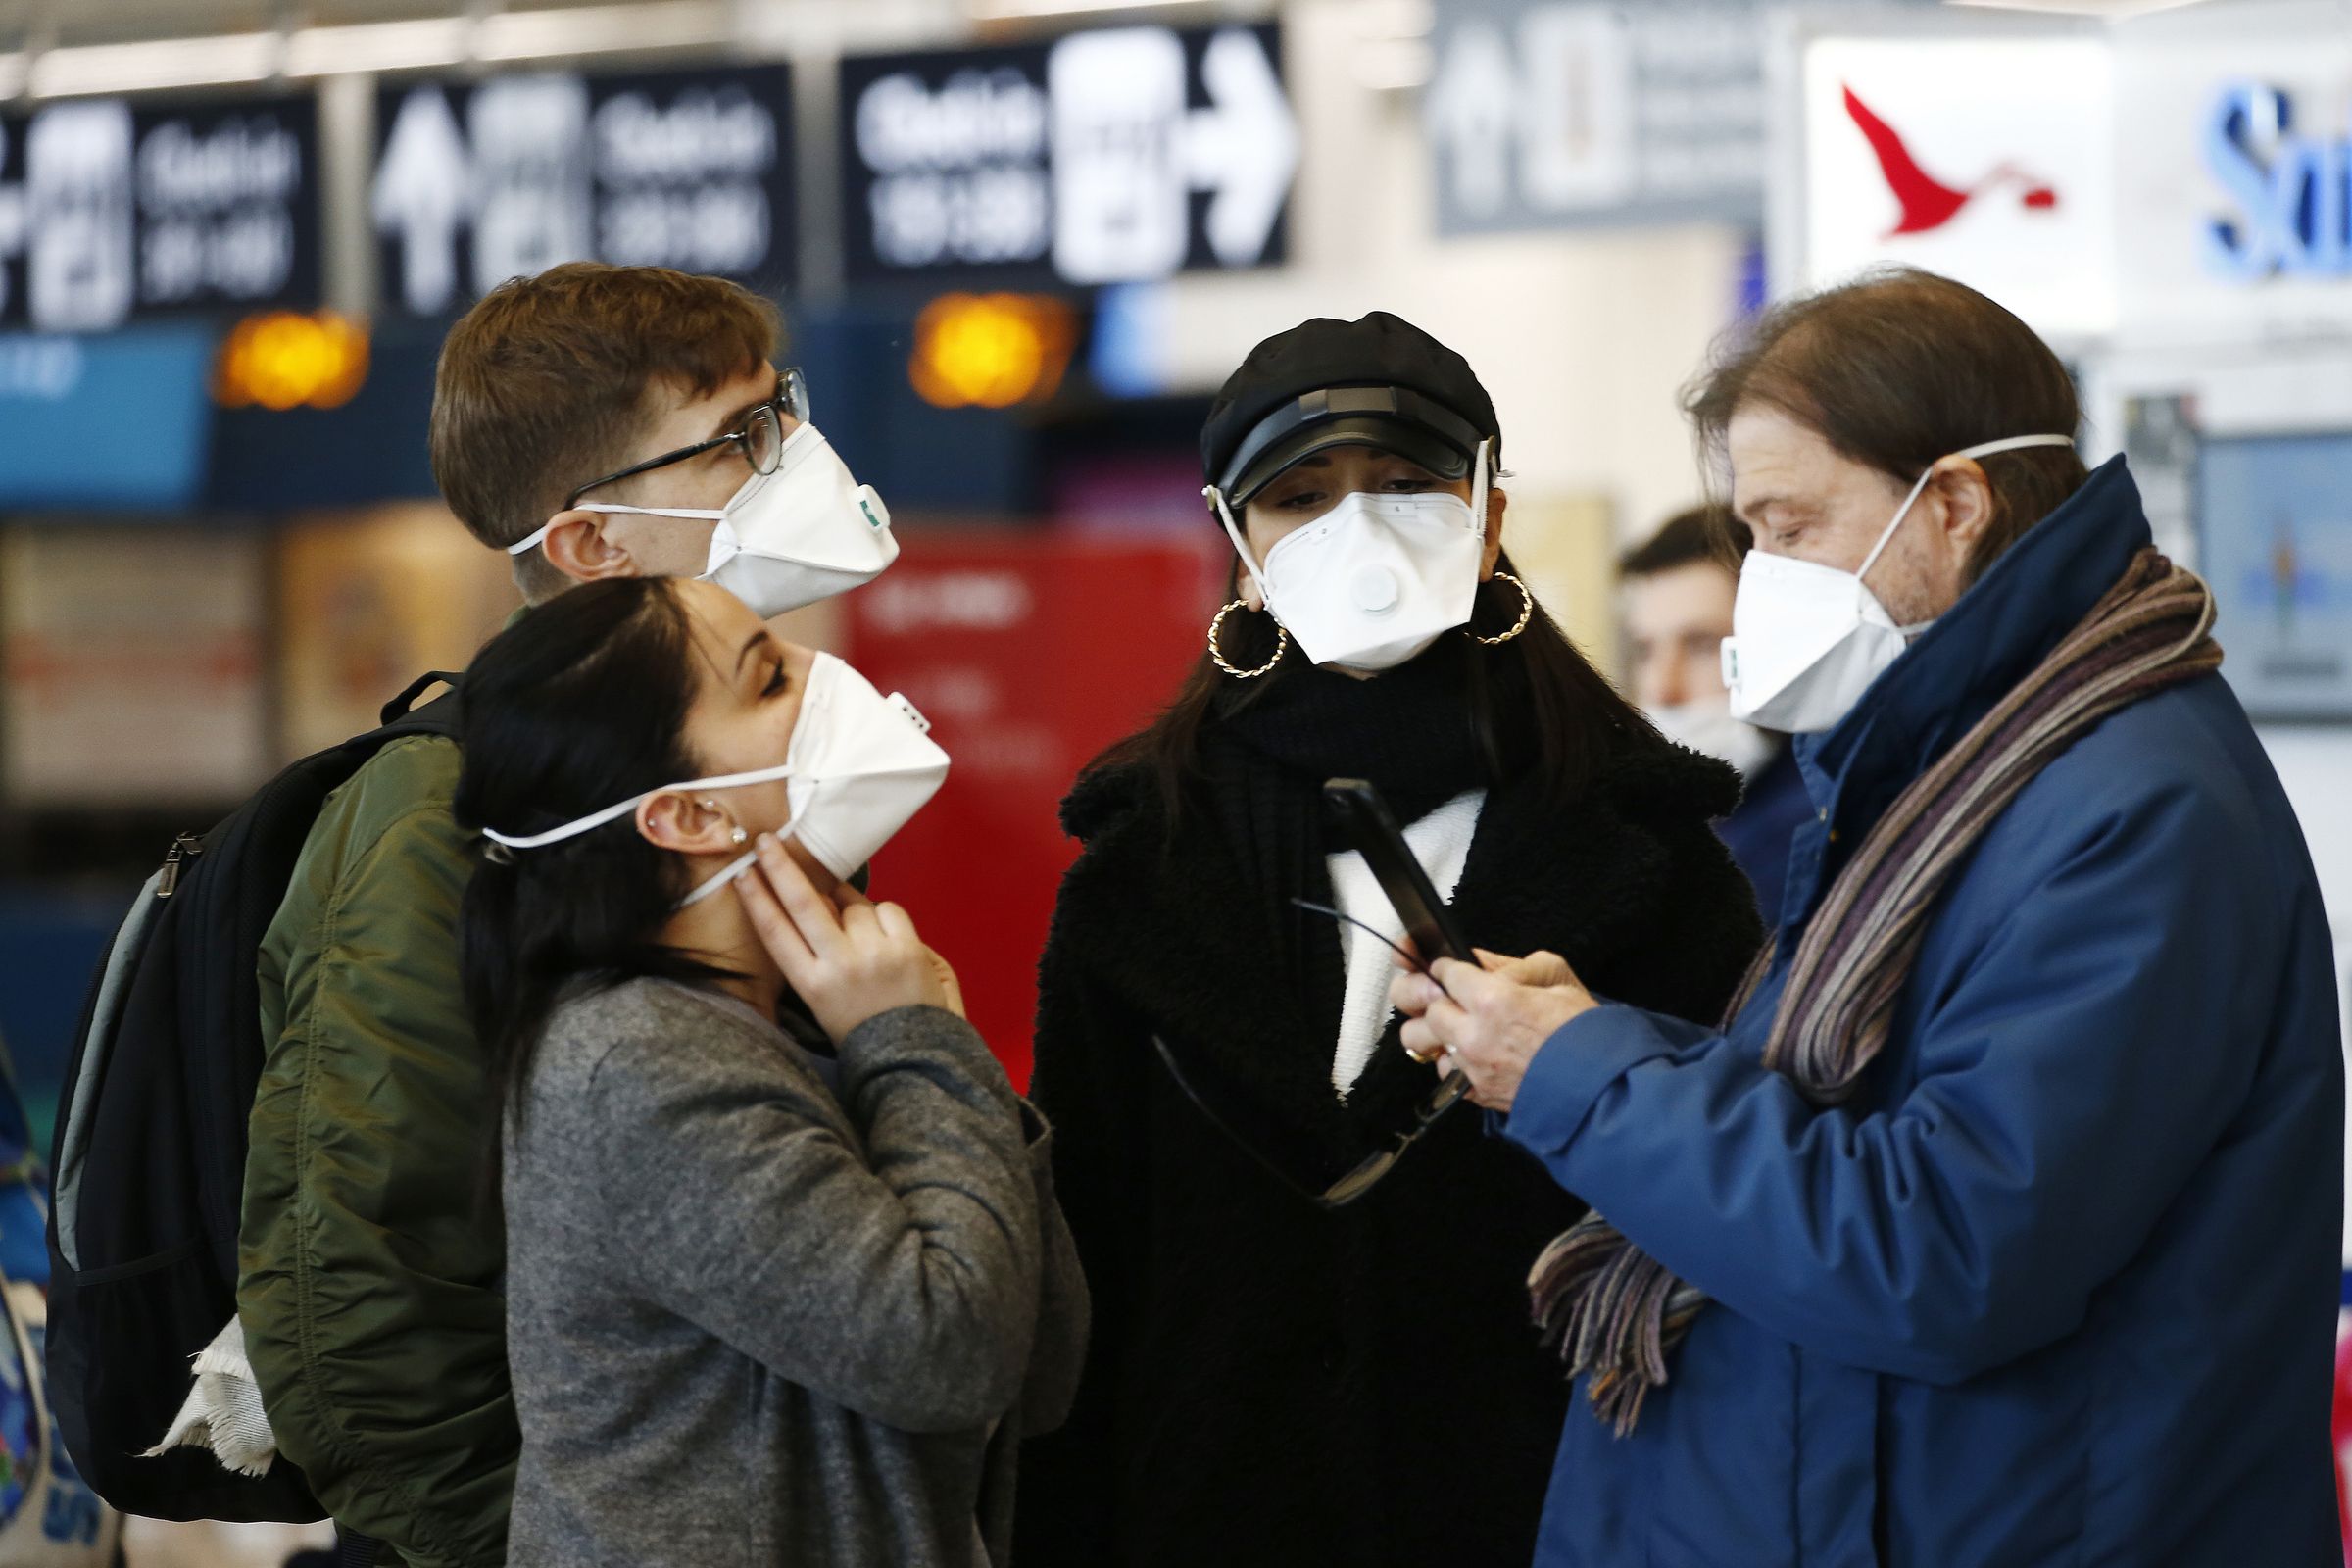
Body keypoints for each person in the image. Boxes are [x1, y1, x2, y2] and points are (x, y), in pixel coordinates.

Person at [1393, 267, 2344, 1566]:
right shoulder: (1959, 764)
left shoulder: (2126, 816)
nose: (1761, 577)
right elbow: (1858, 1118)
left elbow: (1941, 1250)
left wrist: (1586, 1079)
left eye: (1790, 526)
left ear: (1951, 504)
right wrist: (1585, 1038)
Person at [1013, 312, 1766, 1568]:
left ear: (1490, 514)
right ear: (1237, 545)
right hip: (1208, 1508)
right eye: (1298, 497)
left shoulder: (1650, 846)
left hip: (1564, 1503)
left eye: (1406, 486)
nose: (1352, 528)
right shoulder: (1143, 857)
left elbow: (1739, 1202)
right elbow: (1085, 1260)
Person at [237, 262, 898, 1566]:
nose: (800, 461)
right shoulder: (439, 820)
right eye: (743, 443)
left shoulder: (746, 778)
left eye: (788, 415)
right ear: (593, 544)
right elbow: (361, 1315)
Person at [451, 574, 1083, 1567]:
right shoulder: (637, 1061)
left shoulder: (792, 1021)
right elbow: (947, 1350)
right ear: (691, 816)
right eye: (773, 679)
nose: (831, 681)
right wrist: (916, 1043)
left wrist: (912, 1047)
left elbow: (1031, 1368)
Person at [1621, 506, 1811, 923]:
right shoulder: (1659, 820)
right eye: (1646, 651)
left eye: (1702, 646)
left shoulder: (1812, 828)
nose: (1661, 688)